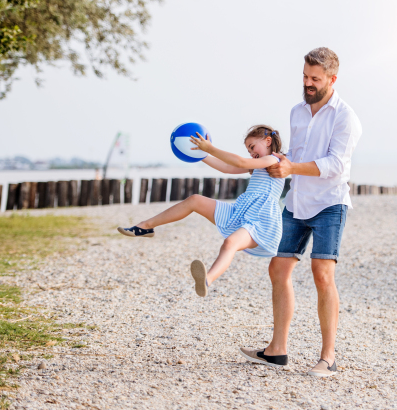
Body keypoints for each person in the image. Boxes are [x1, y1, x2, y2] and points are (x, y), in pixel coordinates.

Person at [239, 47, 362, 377]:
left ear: (332, 79)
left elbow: (336, 164)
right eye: (305, 77)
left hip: (330, 203)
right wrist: (275, 162)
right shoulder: (297, 111)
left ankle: (329, 357)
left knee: (322, 273)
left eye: (315, 79)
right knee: (278, 269)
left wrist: (292, 166)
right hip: (296, 203)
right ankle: (277, 351)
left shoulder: (345, 117)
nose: (308, 83)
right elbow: (296, 154)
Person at [117, 125, 285, 297]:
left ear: (268, 141)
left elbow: (240, 162)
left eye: (252, 147)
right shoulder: (256, 165)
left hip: (260, 220)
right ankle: (145, 226)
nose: (250, 152)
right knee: (195, 200)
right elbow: (227, 168)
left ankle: (207, 280)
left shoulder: (273, 161)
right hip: (241, 212)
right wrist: (200, 154)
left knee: (230, 243)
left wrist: (210, 148)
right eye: (248, 150)